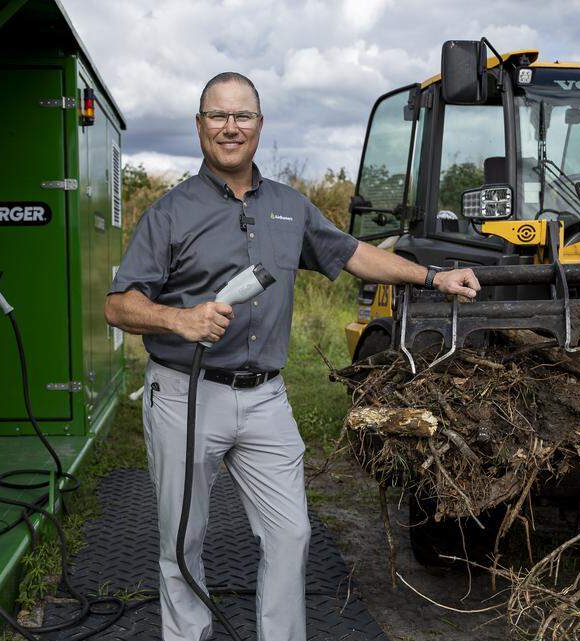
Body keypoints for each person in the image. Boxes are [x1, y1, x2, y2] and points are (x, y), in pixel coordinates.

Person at [105, 72, 479, 641]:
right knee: (182, 539)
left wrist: (434, 276)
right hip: (186, 394)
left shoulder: (289, 206)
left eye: (243, 116)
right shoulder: (170, 212)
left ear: (259, 126)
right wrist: (180, 319)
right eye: (217, 116)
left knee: (291, 534)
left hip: (266, 400)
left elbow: (354, 255)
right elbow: (119, 305)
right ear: (199, 125)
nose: (230, 127)